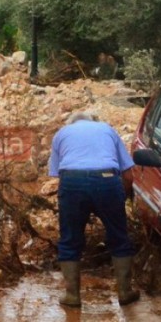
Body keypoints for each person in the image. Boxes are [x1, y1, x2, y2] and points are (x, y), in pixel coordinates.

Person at [48, 111, 140, 307]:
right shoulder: (108, 130)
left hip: (72, 182)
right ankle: (125, 291)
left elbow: (57, 174)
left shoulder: (62, 133)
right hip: (107, 179)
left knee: (70, 239)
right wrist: (119, 199)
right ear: (93, 121)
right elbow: (129, 176)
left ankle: (72, 295)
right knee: (119, 237)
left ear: (72, 123)